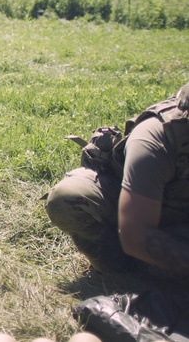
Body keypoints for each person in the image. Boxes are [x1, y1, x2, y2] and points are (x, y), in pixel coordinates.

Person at [45, 81, 189, 277]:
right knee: (66, 199)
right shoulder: (156, 139)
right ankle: (125, 268)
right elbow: (137, 237)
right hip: (130, 211)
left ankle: (159, 267)